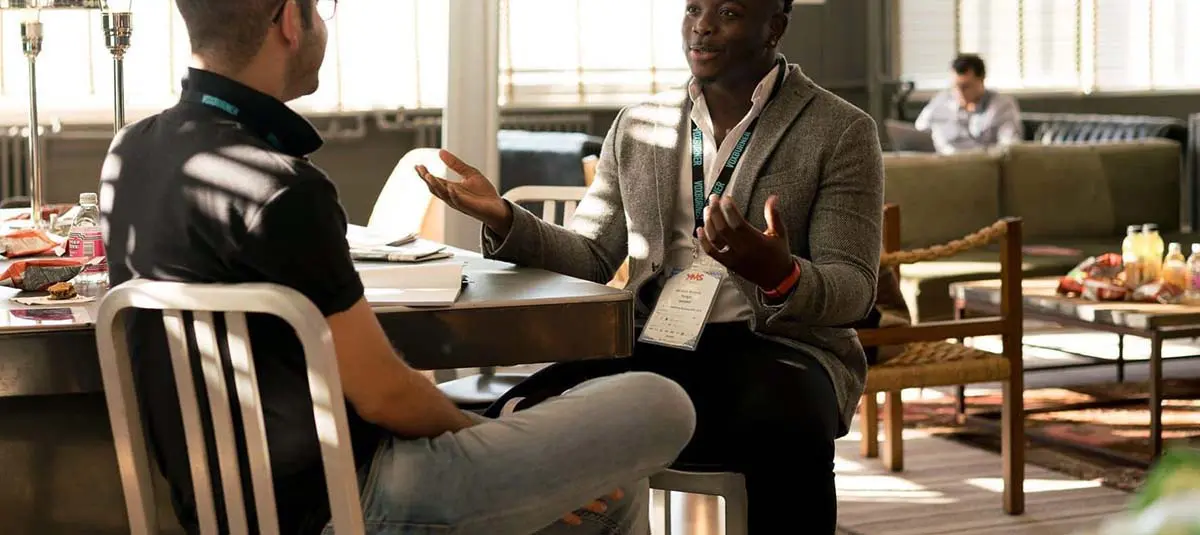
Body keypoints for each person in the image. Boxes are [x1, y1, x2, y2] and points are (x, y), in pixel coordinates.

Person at [99, 1, 696, 533]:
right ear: (287, 20)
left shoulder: (131, 152)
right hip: (352, 501)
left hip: (221, 509)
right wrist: (487, 444)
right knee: (660, 401)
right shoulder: (284, 189)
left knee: (612, 494)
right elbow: (385, 394)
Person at [416, 0, 884, 531]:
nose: (702, 26)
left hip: (779, 348)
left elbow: (855, 288)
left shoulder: (841, 130)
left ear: (774, 28)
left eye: (727, 12)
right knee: (528, 407)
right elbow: (590, 256)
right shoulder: (640, 124)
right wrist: (504, 217)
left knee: (787, 426)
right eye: (693, 8)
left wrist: (781, 275)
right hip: (656, 341)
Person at [914, 53, 1023, 154]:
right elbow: (918, 132)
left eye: (965, 87)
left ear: (982, 79)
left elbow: (1009, 146)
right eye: (955, 87)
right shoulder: (942, 100)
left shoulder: (1001, 105)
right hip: (942, 163)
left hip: (979, 164)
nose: (959, 93)